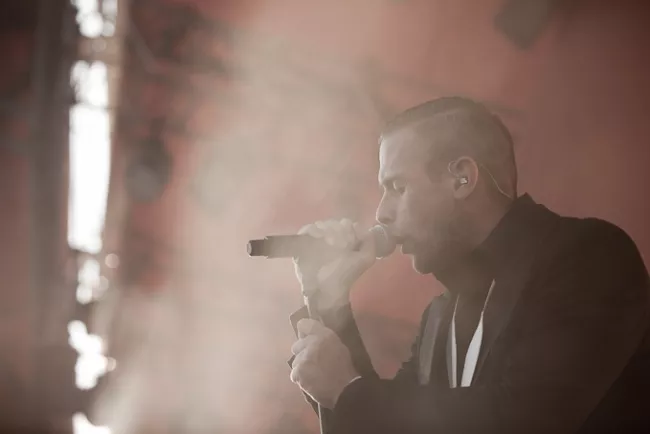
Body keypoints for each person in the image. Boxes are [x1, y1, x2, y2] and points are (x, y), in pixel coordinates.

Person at [288, 97, 650, 433]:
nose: (382, 213)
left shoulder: (586, 254)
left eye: (398, 187)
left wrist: (349, 392)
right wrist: (329, 302)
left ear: (462, 178)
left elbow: (531, 416)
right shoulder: (439, 317)